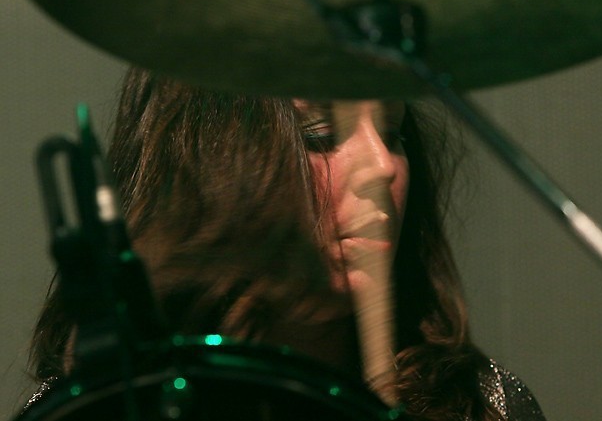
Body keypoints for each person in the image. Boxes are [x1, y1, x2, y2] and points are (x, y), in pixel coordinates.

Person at [26, 67, 546, 421]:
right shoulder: (106, 405)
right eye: (320, 134)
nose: (382, 166)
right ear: (208, 164)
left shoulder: (482, 405)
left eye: (393, 134)